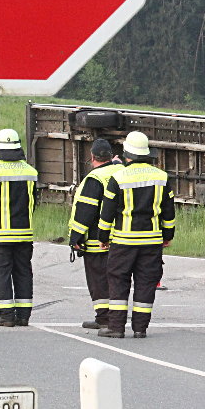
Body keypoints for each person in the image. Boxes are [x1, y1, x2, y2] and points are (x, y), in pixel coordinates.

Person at [97, 131, 175, 339]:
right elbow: (169, 212)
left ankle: (116, 327)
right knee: (146, 282)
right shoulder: (161, 177)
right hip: (151, 241)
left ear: (127, 154)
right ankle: (140, 328)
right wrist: (168, 235)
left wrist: (103, 237)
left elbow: (107, 213)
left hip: (123, 241)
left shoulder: (118, 177)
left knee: (118, 281)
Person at [68, 139, 124, 329]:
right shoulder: (121, 171)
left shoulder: (94, 178)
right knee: (117, 279)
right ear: (111, 156)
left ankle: (103, 318)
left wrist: (75, 237)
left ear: (92, 157)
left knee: (98, 279)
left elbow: (86, 210)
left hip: (98, 240)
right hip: (122, 237)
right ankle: (116, 316)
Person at [0, 128, 38, 327]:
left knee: (2, 273)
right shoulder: (30, 171)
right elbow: (34, 202)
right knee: (23, 272)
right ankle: (23, 315)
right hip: (24, 233)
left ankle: (6, 314)